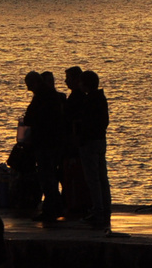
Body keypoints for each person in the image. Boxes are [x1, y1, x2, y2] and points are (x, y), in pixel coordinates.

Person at [23, 70, 66, 223]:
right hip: (54, 142)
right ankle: (56, 207)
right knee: (50, 176)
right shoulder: (52, 95)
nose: (28, 89)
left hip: (45, 142)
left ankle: (51, 209)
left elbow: (30, 117)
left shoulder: (41, 97)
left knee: (46, 177)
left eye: (29, 85)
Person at [75, 69, 112, 230]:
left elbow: (86, 123)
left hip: (90, 142)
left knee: (93, 179)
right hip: (100, 140)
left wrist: (80, 135)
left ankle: (98, 211)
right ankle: (104, 209)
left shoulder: (90, 101)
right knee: (102, 177)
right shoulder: (100, 99)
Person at [60, 67, 89, 219]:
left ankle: (75, 205)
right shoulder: (79, 98)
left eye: (68, 78)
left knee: (74, 176)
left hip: (73, 146)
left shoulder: (76, 99)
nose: (65, 81)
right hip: (74, 144)